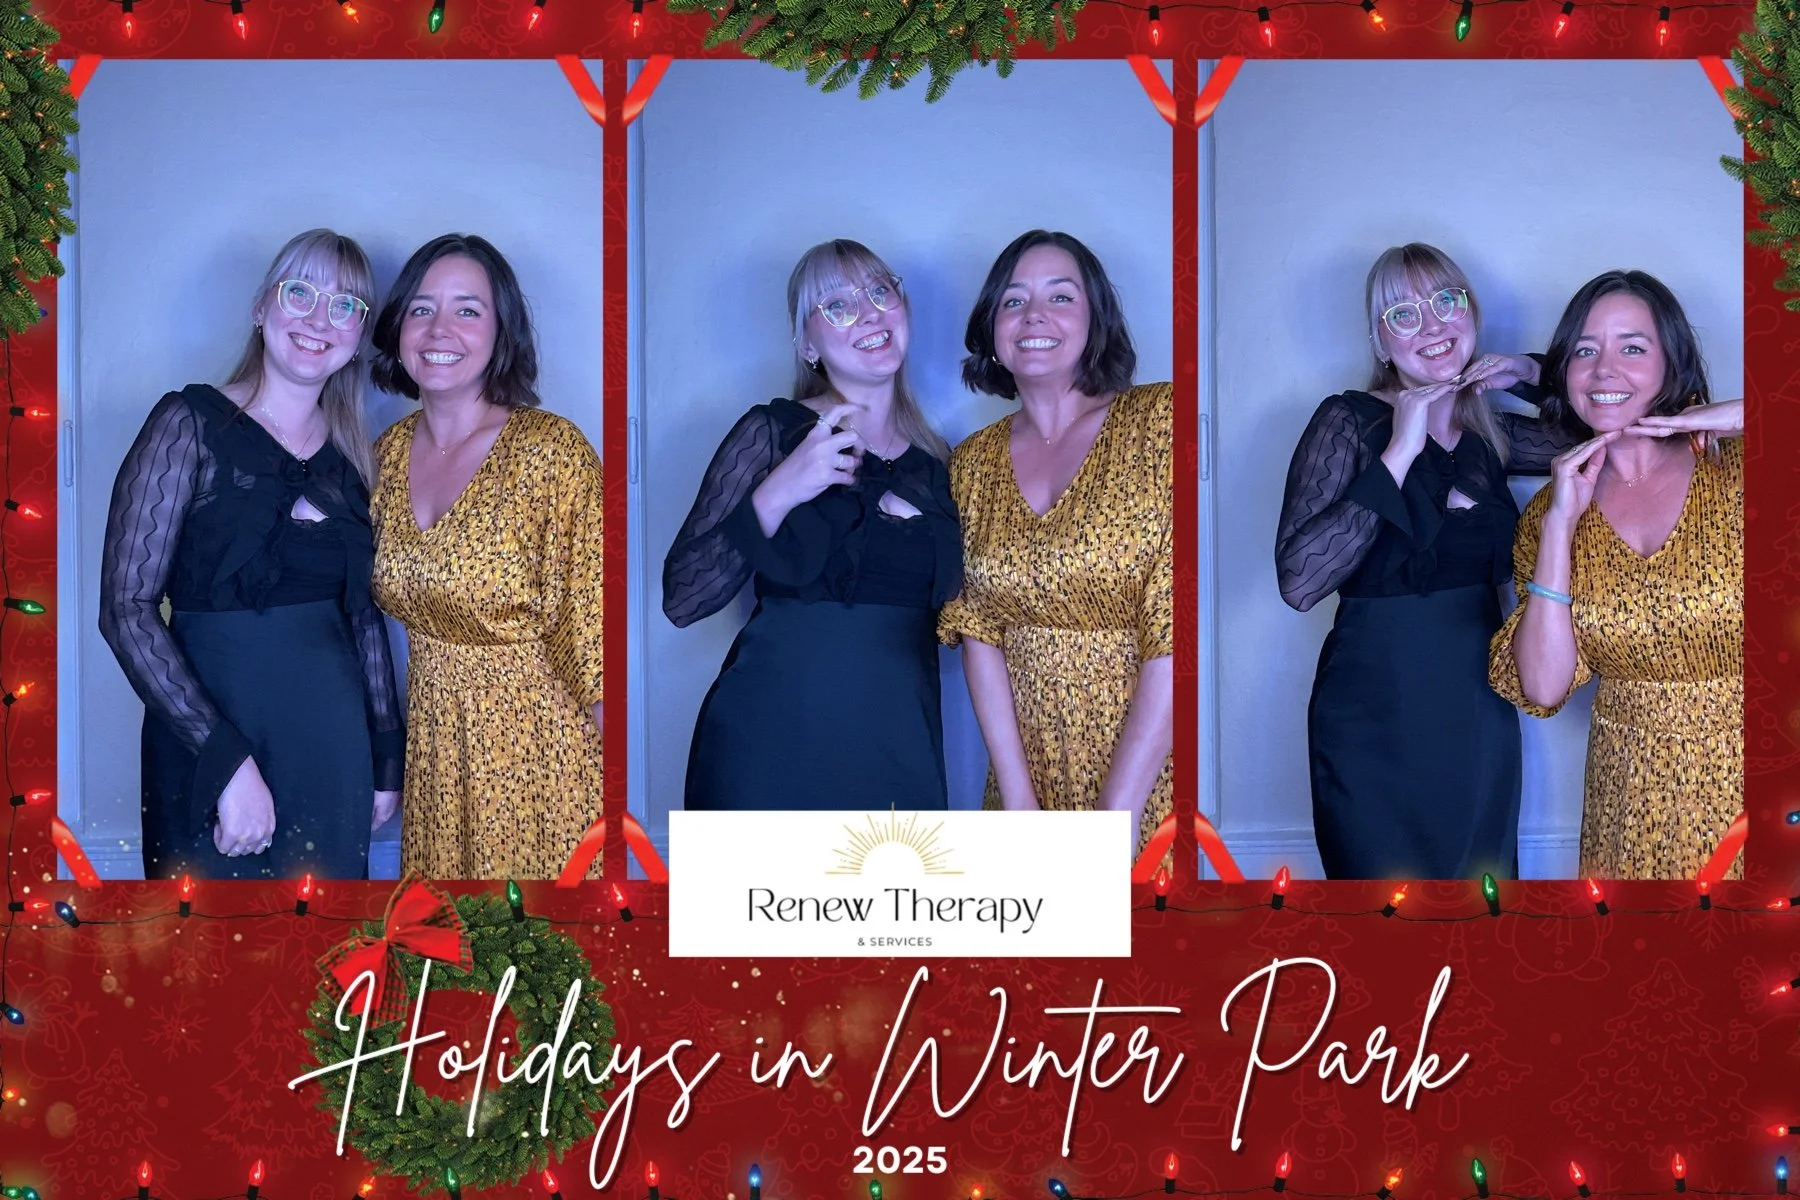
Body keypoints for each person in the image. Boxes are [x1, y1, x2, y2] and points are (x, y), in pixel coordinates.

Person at [99, 228, 402, 880]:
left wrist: (385, 759)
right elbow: (125, 610)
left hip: (332, 750)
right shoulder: (187, 423)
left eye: (345, 305)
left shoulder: (354, 459)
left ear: (358, 337)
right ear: (262, 305)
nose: (319, 319)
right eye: (301, 293)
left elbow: (363, 618)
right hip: (208, 742)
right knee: (207, 938)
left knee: (326, 939)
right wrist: (227, 764)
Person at [1274, 243, 1573, 881]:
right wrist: (1400, 451)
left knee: (1478, 897)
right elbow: (1299, 582)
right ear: (1380, 341)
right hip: (1370, 712)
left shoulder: (1491, 435)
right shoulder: (1347, 421)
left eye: (1446, 302)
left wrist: (1525, 370)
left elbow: (1606, 421)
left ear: (1472, 313)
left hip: (1475, 705)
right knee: (1376, 905)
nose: (1431, 326)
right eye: (1403, 315)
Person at [663, 239, 960, 810]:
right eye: (838, 306)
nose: (868, 313)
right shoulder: (773, 433)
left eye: (880, 292)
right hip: (765, 747)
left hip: (898, 749)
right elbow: (683, 599)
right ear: (807, 344)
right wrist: (781, 488)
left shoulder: (940, 463)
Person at [1490, 269, 1743, 880]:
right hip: (1628, 805)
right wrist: (1560, 526)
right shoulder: (1548, 516)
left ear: (1671, 362)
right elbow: (1544, 687)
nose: (1604, 370)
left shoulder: (1746, 467)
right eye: (1585, 351)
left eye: (1632, 347)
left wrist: (1756, 413)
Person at [368, 233, 604, 879]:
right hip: (436, 753)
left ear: (502, 331)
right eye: (421, 308)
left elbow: (593, 635)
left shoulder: (551, 451)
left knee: (540, 933)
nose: (439, 329)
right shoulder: (386, 454)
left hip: (542, 752)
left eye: (467, 310)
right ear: (398, 327)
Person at [937, 230, 1171, 854]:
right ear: (991, 327)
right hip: (1025, 777)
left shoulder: (1161, 421)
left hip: (1150, 772)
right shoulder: (971, 462)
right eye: (1013, 301)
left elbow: (1179, 622)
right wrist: (1017, 801)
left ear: (1096, 318)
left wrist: (1117, 815)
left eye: (1061, 296)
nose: (1034, 314)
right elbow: (977, 629)